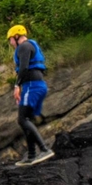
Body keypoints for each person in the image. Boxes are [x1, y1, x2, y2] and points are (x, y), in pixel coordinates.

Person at [7, 25, 55, 166]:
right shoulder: (30, 45)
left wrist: (17, 86)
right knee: (27, 120)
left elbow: (23, 67)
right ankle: (32, 155)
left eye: (10, 39)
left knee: (22, 119)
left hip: (32, 87)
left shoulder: (24, 46)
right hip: (36, 86)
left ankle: (45, 149)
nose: (10, 43)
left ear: (16, 37)